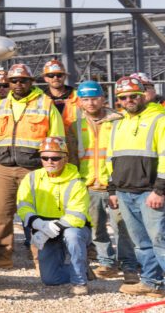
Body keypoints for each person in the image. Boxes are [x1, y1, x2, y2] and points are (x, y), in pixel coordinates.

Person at [0, 62, 64, 268]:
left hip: (34, 168)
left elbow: (56, 136)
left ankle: (42, 257)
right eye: (13, 81)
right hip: (2, 167)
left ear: (31, 81)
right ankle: (2, 255)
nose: (18, 84)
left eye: (23, 80)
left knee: (37, 214)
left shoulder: (45, 104)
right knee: (1, 213)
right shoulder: (0, 105)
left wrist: (51, 165)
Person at [106, 76, 165, 297]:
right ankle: (152, 282)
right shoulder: (118, 124)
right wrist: (112, 190)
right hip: (124, 192)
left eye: (133, 96)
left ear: (143, 96)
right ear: (118, 100)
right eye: (123, 97)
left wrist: (160, 190)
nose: (129, 100)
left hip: (150, 192)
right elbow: (111, 159)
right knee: (141, 243)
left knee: (160, 240)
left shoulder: (159, 119)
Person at [18, 136, 90, 296]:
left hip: (72, 229)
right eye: (45, 157)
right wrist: (38, 224)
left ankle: (80, 281)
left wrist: (47, 231)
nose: (50, 161)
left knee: (72, 236)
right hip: (45, 229)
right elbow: (23, 206)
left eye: (55, 158)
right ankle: (83, 270)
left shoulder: (76, 182)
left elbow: (77, 216)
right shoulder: (31, 178)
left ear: (65, 158)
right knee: (50, 279)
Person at [71, 80, 127, 281]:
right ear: (80, 102)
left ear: (103, 99)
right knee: (97, 229)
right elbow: (72, 157)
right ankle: (107, 263)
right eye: (86, 99)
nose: (91, 103)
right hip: (89, 185)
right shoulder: (75, 126)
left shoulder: (119, 121)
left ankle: (128, 264)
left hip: (115, 185)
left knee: (122, 227)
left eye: (94, 98)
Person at [43, 61, 78, 125]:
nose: (55, 78)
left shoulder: (77, 96)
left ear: (65, 76)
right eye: (51, 75)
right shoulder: (40, 99)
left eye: (59, 75)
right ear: (45, 78)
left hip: (73, 134)